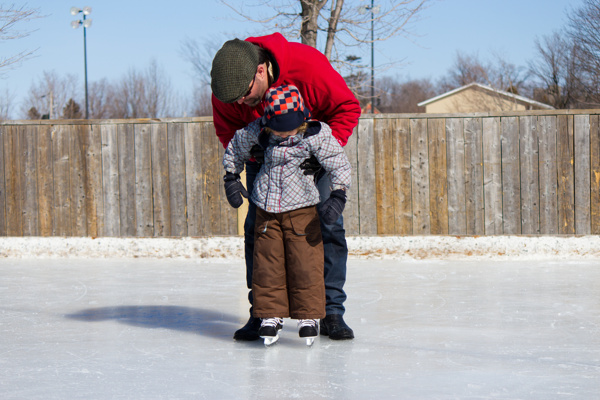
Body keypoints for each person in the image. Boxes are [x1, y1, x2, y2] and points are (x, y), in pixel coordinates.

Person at [210, 33, 361, 341]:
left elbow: (347, 107)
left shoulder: (308, 68)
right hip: (262, 160)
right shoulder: (228, 89)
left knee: (326, 227)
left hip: (310, 158)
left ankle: (331, 311)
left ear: (261, 71)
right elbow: (230, 132)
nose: (240, 102)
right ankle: (262, 312)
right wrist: (245, 162)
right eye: (234, 98)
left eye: (244, 94)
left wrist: (322, 157)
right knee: (259, 233)